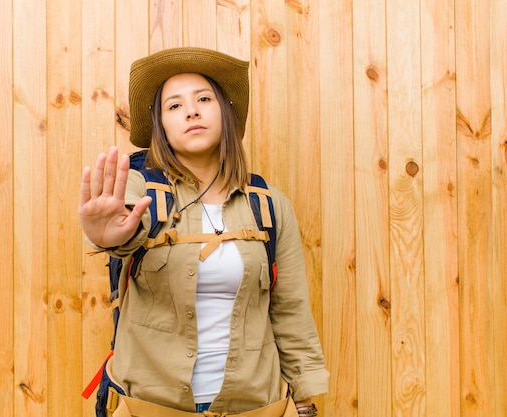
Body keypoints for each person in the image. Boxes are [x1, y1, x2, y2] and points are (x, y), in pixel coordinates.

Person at [79, 47, 329, 417]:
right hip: (150, 407)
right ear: (160, 125)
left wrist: (305, 398)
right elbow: (123, 229)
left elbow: (290, 311)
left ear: (225, 112)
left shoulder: (270, 205)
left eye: (203, 99)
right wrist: (105, 236)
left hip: (255, 406)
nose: (191, 111)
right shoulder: (138, 187)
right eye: (174, 106)